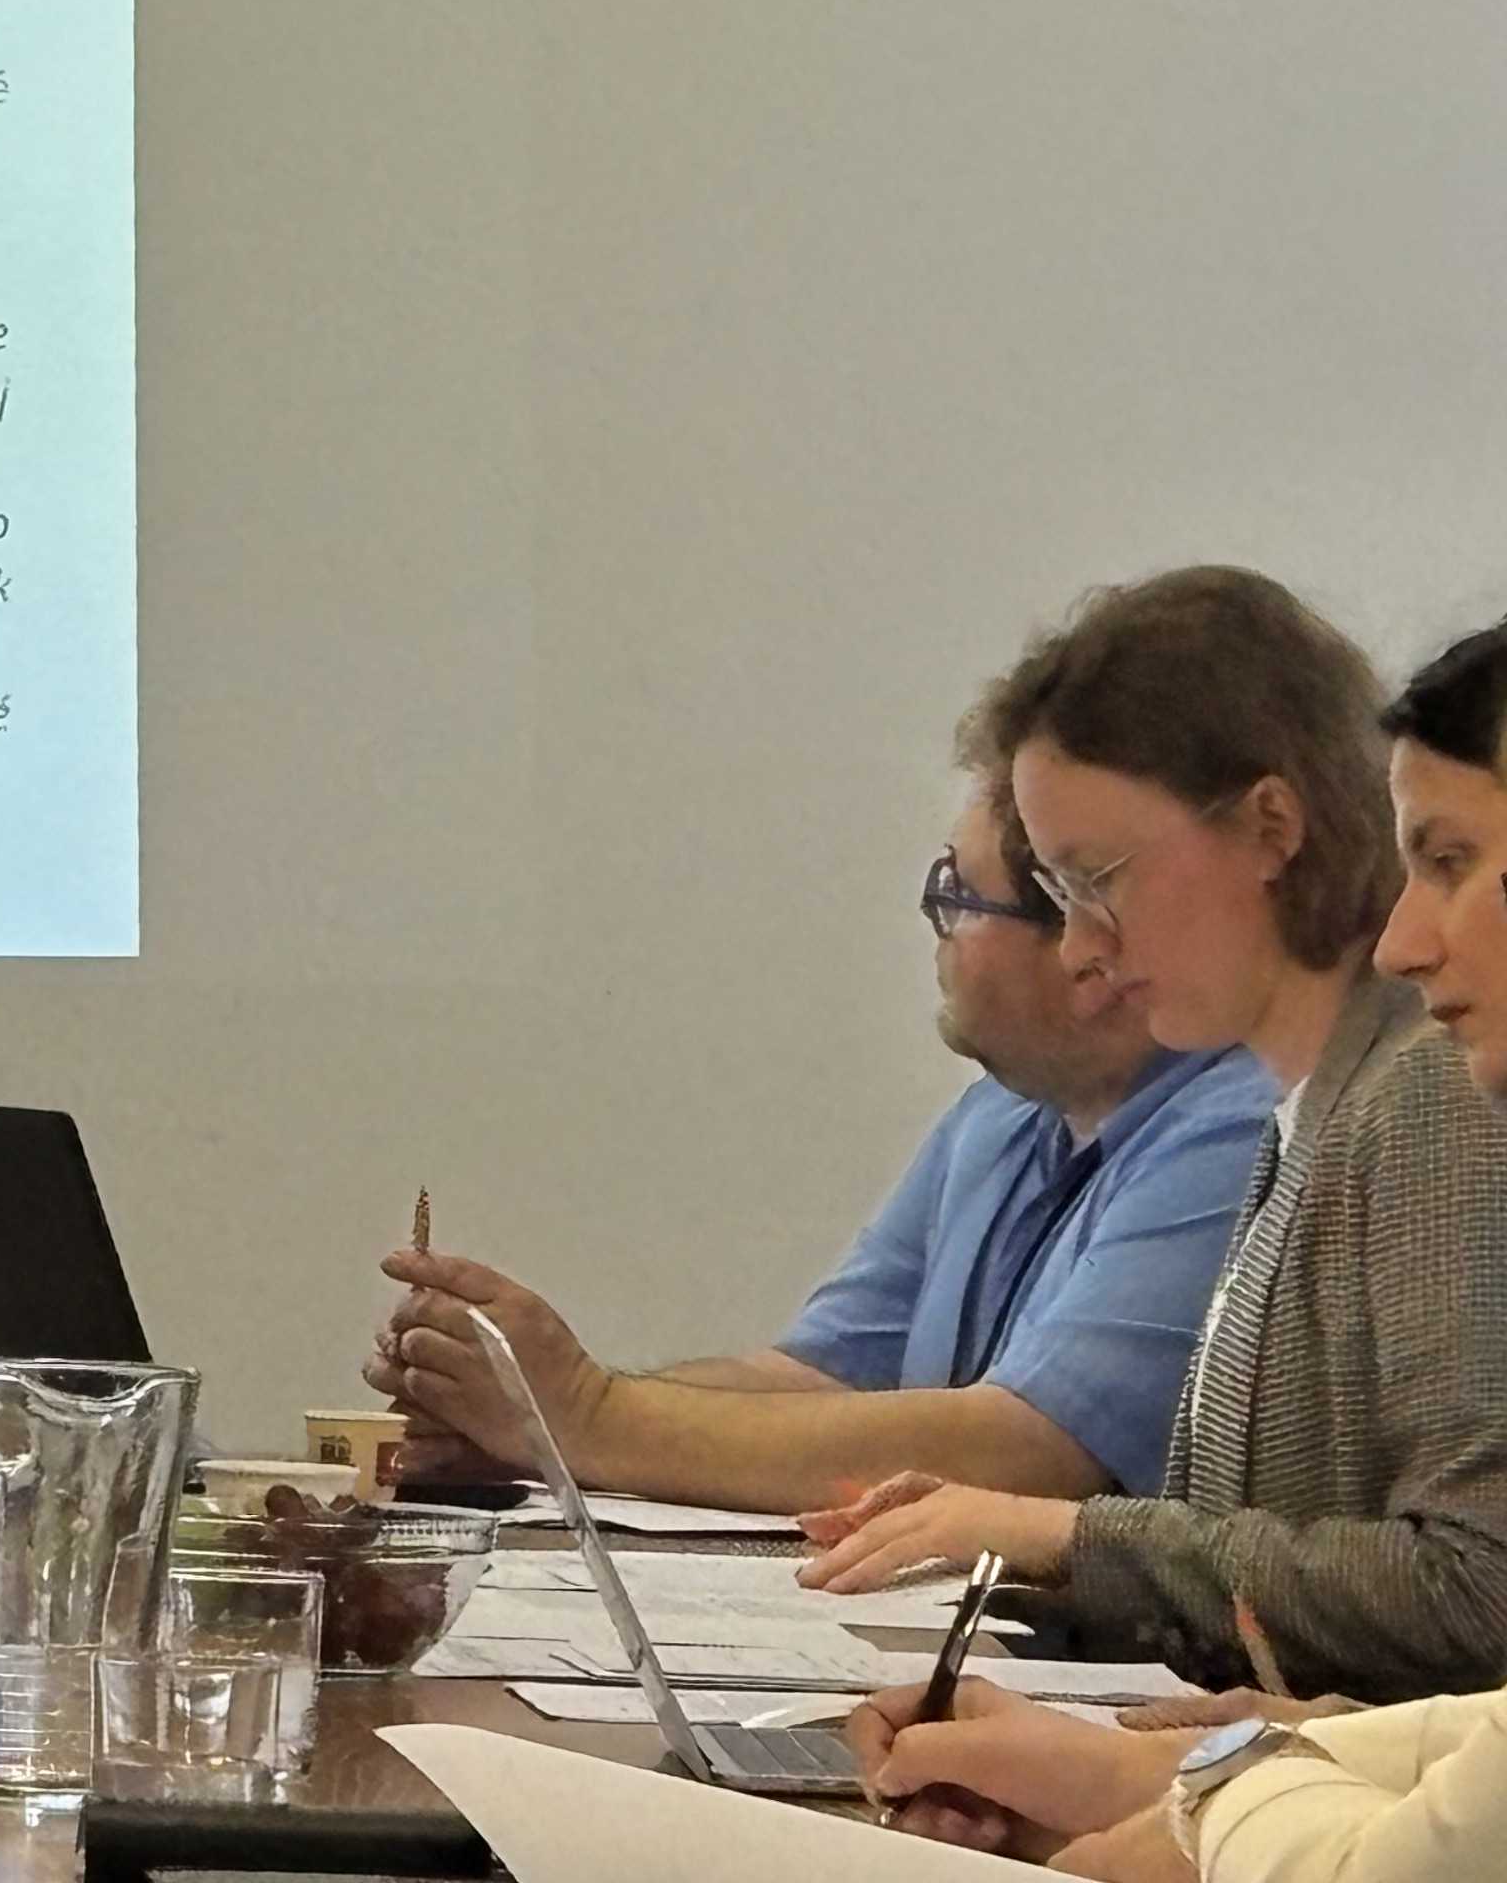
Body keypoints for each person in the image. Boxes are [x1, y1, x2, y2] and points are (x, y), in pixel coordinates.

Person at [847, 612, 1507, 1879]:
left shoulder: (1429, 1099)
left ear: (1270, 828)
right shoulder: (1307, 1110)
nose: (1084, 950)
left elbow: (1478, 1589)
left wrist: (1069, 1541)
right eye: (1056, 896)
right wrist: (1145, 1768)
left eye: (1100, 881)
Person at [371, 772, 1271, 1511]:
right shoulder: (1001, 1116)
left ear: (1084, 947)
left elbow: (1029, 1452)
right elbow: (825, 1382)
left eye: (957, 896)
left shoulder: (1239, 1126)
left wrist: (585, 1415)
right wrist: (530, 1426)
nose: (934, 926)